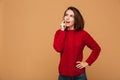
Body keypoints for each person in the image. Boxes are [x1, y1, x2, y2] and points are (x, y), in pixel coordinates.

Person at [53, 6, 101, 80]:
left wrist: (87, 62)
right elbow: (58, 48)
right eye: (66, 15)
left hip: (79, 75)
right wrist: (62, 30)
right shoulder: (59, 32)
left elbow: (96, 48)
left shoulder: (83, 34)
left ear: (76, 19)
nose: (67, 18)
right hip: (63, 75)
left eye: (71, 16)